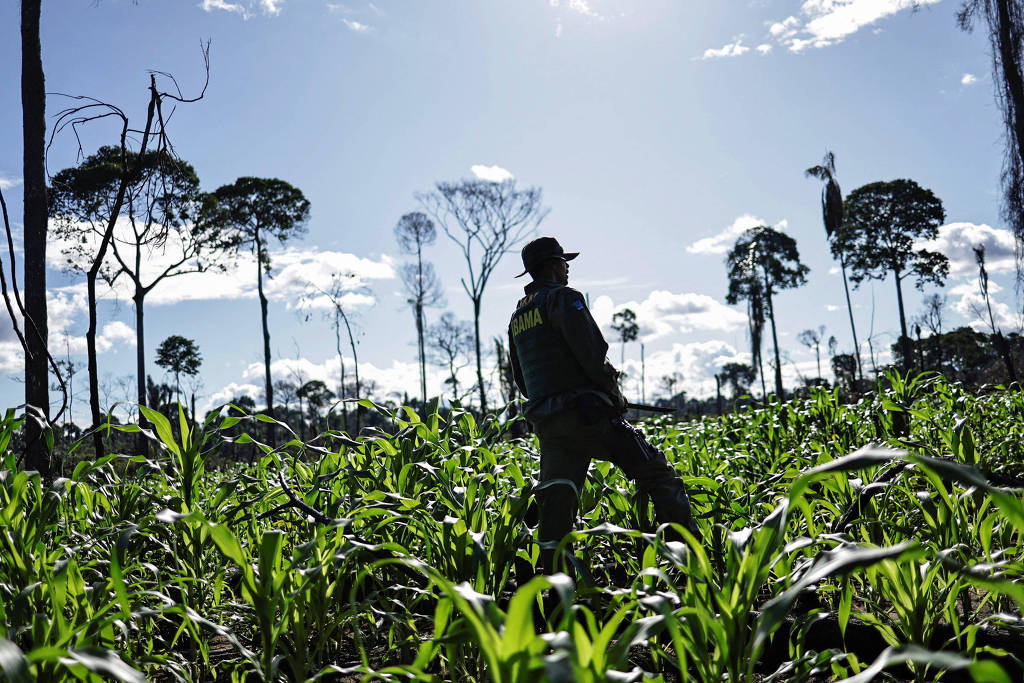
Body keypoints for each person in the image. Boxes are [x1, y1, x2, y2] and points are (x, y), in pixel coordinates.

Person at [507, 236, 698, 574]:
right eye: (564, 262)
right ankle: (691, 563)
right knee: (659, 474)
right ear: (552, 265)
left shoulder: (518, 317)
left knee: (557, 501)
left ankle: (552, 586)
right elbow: (593, 356)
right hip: (587, 416)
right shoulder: (565, 300)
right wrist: (613, 393)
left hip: (549, 425)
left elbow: (522, 381)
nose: (567, 268)